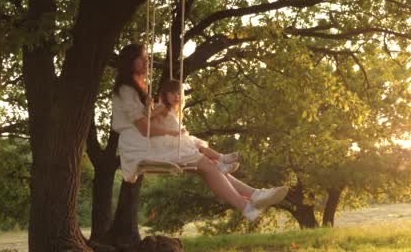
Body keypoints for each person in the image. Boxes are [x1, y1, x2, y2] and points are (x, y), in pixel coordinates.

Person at [111, 43, 288, 221]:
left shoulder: (136, 87)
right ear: (130, 62)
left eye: (146, 57)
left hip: (145, 140)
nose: (147, 61)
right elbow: (144, 128)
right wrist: (172, 133)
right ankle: (248, 203)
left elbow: (147, 120)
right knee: (205, 162)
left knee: (207, 165)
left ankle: (253, 196)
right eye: (141, 57)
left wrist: (150, 108)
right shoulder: (126, 90)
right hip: (140, 143)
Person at [150, 79, 240, 175]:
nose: (176, 97)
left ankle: (220, 163)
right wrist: (148, 106)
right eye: (172, 93)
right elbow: (148, 116)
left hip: (177, 139)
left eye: (179, 94)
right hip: (169, 142)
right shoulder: (162, 107)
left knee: (199, 146)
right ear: (165, 94)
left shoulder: (174, 111)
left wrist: (181, 130)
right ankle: (222, 159)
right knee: (196, 148)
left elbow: (170, 124)